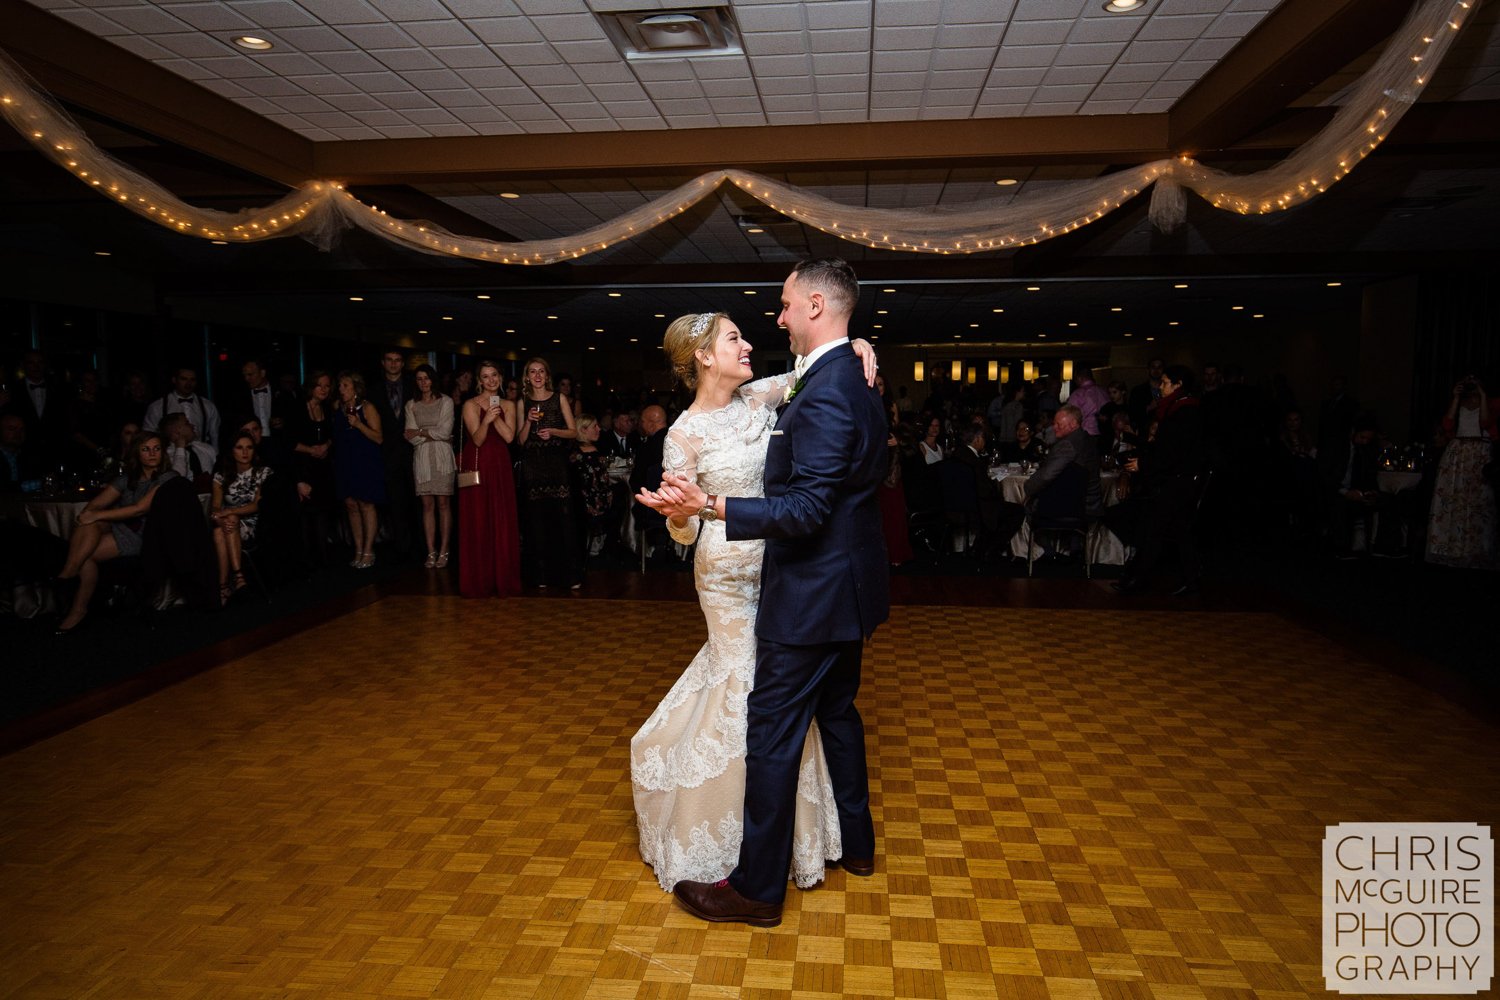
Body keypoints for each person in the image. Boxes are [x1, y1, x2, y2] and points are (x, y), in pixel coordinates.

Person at [640, 258, 888, 927]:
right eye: (734, 338)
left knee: (775, 728)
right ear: (702, 357)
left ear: (813, 306)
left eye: (779, 308)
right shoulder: (688, 430)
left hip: (800, 581)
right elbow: (685, 530)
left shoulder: (786, 391)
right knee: (828, 712)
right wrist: (683, 516)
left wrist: (856, 342)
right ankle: (852, 845)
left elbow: (807, 501)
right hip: (758, 575)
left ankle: (756, 887)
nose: (762, 331)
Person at [51, 431, 176, 634]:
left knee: (87, 551)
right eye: (146, 449)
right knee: (88, 528)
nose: (152, 453)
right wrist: (91, 515)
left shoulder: (168, 477)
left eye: (157, 448)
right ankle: (74, 593)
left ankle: (69, 586)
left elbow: (140, 509)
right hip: (122, 527)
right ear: (137, 453)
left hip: (146, 535)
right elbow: (93, 506)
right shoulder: (126, 479)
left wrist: (97, 516)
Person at [1113, 365, 1207, 596]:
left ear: (1178, 385)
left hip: (1176, 483)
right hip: (1180, 481)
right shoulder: (1179, 409)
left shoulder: (1183, 412)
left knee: (1154, 530)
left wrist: (1143, 464)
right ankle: (1191, 580)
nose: (1160, 386)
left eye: (1165, 382)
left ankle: (1137, 579)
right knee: (1178, 531)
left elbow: (1173, 451)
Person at [458, 360, 521, 598]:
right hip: (479, 463)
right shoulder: (470, 405)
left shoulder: (508, 405)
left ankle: (503, 577)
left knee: (501, 518)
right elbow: (477, 440)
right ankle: (479, 579)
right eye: (485, 377)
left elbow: (508, 437)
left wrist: (496, 415)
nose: (491, 380)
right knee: (480, 518)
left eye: (494, 375)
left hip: (500, 464)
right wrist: (486, 419)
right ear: (479, 381)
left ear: (501, 378)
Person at [517, 357, 580, 589]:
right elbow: (520, 440)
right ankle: (541, 575)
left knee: (562, 517)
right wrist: (527, 421)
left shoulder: (559, 398)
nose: (537, 375)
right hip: (533, 463)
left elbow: (573, 432)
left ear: (546, 375)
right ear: (527, 377)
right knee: (536, 519)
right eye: (532, 371)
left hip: (556, 461)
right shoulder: (522, 402)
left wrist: (553, 431)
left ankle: (570, 575)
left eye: (541, 371)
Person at [1426, 375, 1497, 569]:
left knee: (1477, 500)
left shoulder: (1490, 403)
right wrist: (1455, 398)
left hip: (1478, 452)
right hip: (1459, 452)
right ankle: (1451, 548)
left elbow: (1485, 423)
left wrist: (1482, 395)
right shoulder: (1459, 403)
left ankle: (1475, 550)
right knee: (1454, 497)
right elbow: (1448, 425)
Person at [209, 431, 272, 605]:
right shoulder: (221, 475)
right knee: (219, 531)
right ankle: (237, 580)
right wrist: (218, 517)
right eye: (239, 448)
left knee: (229, 522)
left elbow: (257, 505)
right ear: (232, 451)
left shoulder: (262, 472)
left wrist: (230, 512)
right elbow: (215, 506)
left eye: (249, 447)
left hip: (255, 523)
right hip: (227, 523)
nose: (245, 452)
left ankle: (225, 586)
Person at [366, 349, 417, 559]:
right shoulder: (374, 390)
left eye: (397, 361)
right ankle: (401, 548)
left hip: (412, 450)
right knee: (395, 502)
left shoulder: (414, 387)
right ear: (383, 362)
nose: (394, 364)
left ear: (402, 363)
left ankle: (418, 546)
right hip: (387, 452)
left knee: (416, 500)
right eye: (390, 360)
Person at [404, 364, 456, 568]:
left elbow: (445, 431)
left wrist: (421, 432)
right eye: (419, 379)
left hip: (442, 458)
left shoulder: (446, 401)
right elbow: (409, 435)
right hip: (422, 458)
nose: (423, 382)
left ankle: (444, 550)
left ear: (433, 379)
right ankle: (431, 551)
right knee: (427, 505)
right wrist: (426, 433)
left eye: (426, 378)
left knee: (443, 504)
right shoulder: (411, 405)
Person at [332, 370, 385, 569]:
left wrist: (359, 425)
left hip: (365, 462)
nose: (341, 389)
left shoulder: (367, 408)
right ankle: (358, 549)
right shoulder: (338, 407)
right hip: (345, 462)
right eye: (340, 386)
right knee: (351, 505)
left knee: (366, 504)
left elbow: (379, 438)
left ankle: (369, 549)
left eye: (345, 386)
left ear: (355, 388)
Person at [143, 366, 220, 461]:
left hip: (201, 457)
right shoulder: (157, 406)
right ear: (174, 380)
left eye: (192, 380)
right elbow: (147, 435)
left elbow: (214, 435)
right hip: (168, 457)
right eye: (184, 379)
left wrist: (216, 457)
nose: (188, 383)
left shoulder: (208, 406)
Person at [569, 414, 614, 559]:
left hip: (579, 504)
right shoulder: (590, 455)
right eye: (594, 426)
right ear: (583, 430)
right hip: (591, 504)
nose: (599, 429)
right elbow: (600, 484)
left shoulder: (574, 452)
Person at [159, 412, 216, 489]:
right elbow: (177, 480)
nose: (192, 426)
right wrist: (180, 448)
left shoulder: (206, 448)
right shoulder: (166, 455)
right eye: (187, 423)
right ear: (176, 431)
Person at [1067, 372, 1110, 437]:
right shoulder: (1103, 391)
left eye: (1075, 379)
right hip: (1104, 433)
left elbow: (1069, 414)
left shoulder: (1077, 394)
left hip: (1084, 432)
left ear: (1079, 378)